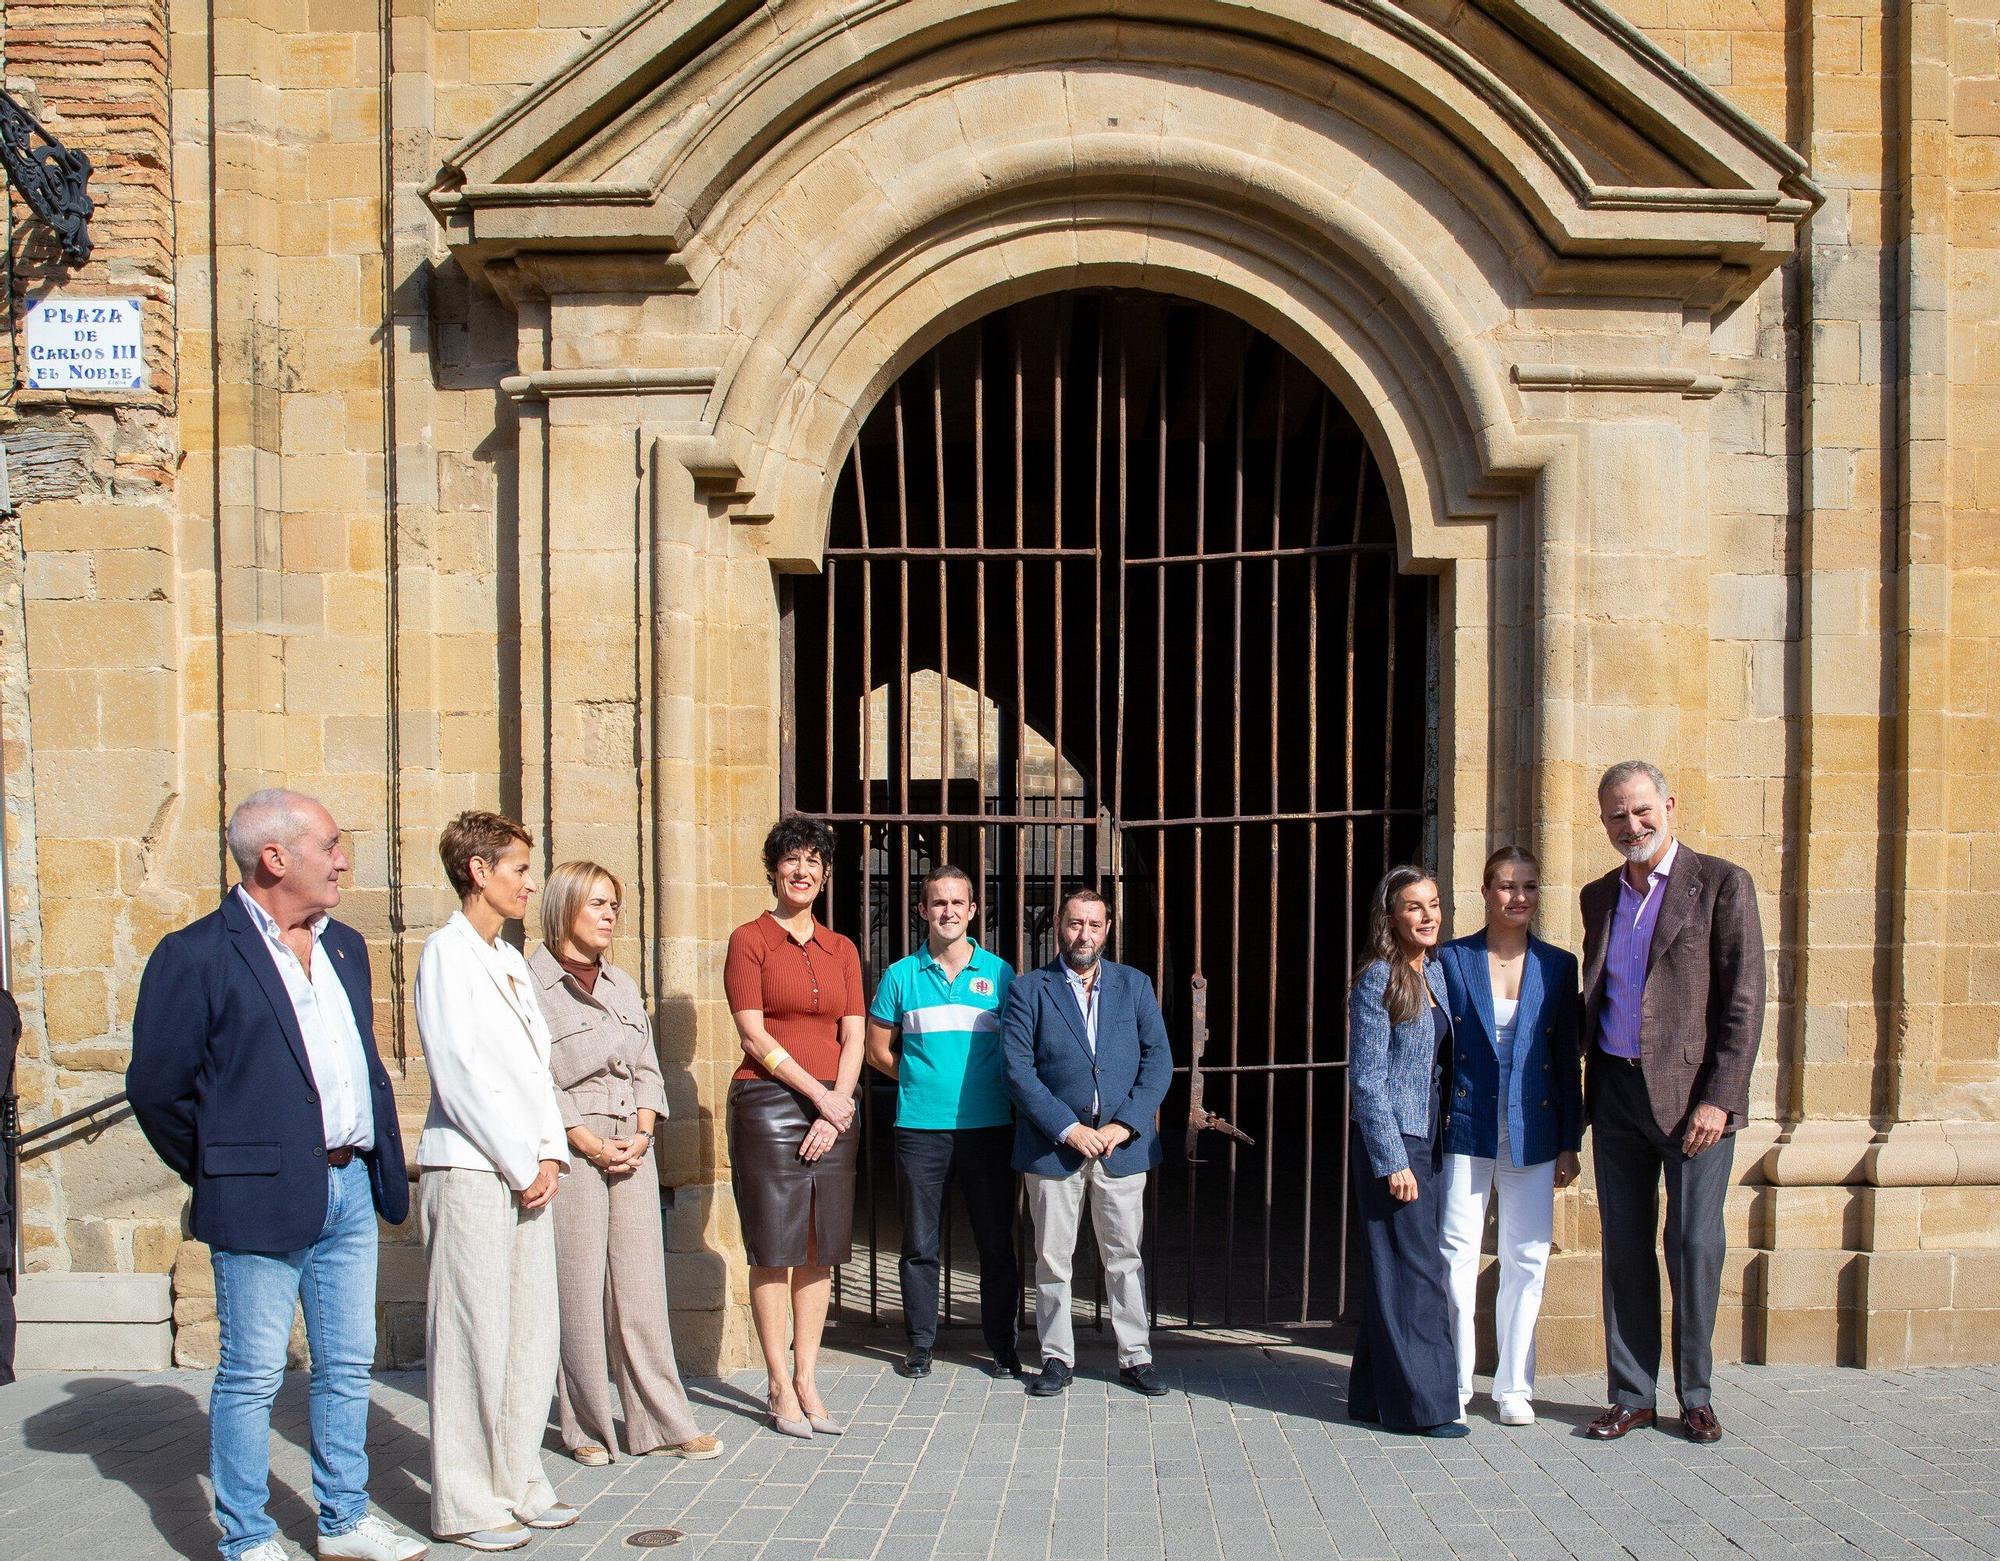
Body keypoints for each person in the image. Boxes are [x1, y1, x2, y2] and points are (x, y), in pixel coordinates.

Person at [127, 788, 425, 1561]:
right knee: (253, 1372)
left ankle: (343, 1518)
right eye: (330, 843)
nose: (343, 857)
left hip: (352, 1185)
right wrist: (225, 1166)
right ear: (275, 857)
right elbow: (158, 1089)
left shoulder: (345, 945)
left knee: (346, 1361)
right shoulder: (194, 954)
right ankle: (249, 1534)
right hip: (257, 1197)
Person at [1581, 761, 1765, 1444]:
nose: (1631, 825)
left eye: (1640, 810)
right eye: (1616, 815)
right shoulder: (1598, 895)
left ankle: (1695, 1394)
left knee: (1692, 1243)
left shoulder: (1720, 883)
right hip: (1617, 1090)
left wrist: (1720, 1098)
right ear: (1603, 822)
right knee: (1625, 1247)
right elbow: (1597, 993)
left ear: (1667, 804)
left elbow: (1745, 1003)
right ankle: (1631, 1394)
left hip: (1695, 1103)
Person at [414, 812, 578, 1551]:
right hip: (473, 1167)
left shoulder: (508, 959)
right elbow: (460, 1072)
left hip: (527, 1171)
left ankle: (518, 1477)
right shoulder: (446, 955)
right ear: (478, 870)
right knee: (471, 1338)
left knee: (530, 1334)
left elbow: (535, 1072)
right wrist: (520, 1161)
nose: (529, 882)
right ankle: (466, 1500)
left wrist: (549, 1154)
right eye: (518, 868)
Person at [530, 860, 722, 1466]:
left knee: (640, 1290)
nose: (610, 915)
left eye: (614, 904)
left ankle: (662, 1423)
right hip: (572, 1147)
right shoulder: (529, 983)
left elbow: (645, 1066)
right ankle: (585, 1428)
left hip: (630, 1146)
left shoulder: (621, 982)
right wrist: (583, 1139)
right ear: (564, 908)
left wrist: (643, 1131)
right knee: (579, 1291)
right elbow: (532, 1075)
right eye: (597, 904)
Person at [724, 815, 866, 1437]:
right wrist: (820, 1097)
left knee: (819, 1250)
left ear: (826, 874)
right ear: (774, 870)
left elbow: (854, 1035)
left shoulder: (843, 950)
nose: (802, 872)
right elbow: (753, 1033)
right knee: (774, 1248)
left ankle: (809, 1379)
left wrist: (839, 1104)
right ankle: (778, 1385)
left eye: (813, 862)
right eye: (791, 861)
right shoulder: (749, 938)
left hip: (834, 1106)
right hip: (768, 1104)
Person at [1001, 887, 1173, 1399]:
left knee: (1124, 1255)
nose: (1084, 934)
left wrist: (1125, 1124)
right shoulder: (1030, 989)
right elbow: (1017, 1070)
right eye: (1075, 924)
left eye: (1094, 925)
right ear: (1058, 925)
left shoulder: (1134, 986)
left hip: (1120, 1147)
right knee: (1053, 1258)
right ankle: (1056, 1357)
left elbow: (1157, 1060)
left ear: (1108, 927)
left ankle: (1135, 1357)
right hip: (1054, 1147)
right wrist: (1067, 1127)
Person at [1436, 846, 1582, 1427]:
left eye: (1528, 885)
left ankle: (1514, 1386)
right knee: (1455, 1254)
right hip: (1466, 1124)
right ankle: (1453, 1379)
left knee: (1527, 1256)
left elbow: (1567, 1059)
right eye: (1505, 885)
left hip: (1534, 1125)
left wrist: (1570, 1138)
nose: (1517, 896)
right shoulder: (1452, 959)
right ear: (1485, 891)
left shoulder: (1558, 964)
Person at [865, 865, 1020, 1381]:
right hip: (920, 1129)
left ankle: (1002, 1346)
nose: (948, 911)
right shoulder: (899, 976)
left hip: (989, 1126)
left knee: (996, 1241)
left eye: (957, 903)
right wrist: (919, 1078)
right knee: (920, 1242)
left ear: (973, 910)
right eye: (938, 903)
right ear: (922, 910)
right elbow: (876, 1049)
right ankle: (921, 1344)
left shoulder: (1001, 974)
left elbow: (1017, 1049)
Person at [1345, 865, 1467, 1438]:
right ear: (1391, 916)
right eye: (1415, 907)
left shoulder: (1436, 973)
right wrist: (1391, 1157)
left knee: (1397, 1265)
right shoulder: (1377, 979)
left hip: (1430, 1136)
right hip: (1395, 1141)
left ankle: (1372, 1397)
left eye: (1435, 904)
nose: (1428, 916)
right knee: (1416, 1271)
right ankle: (1428, 1407)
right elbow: (1367, 1079)